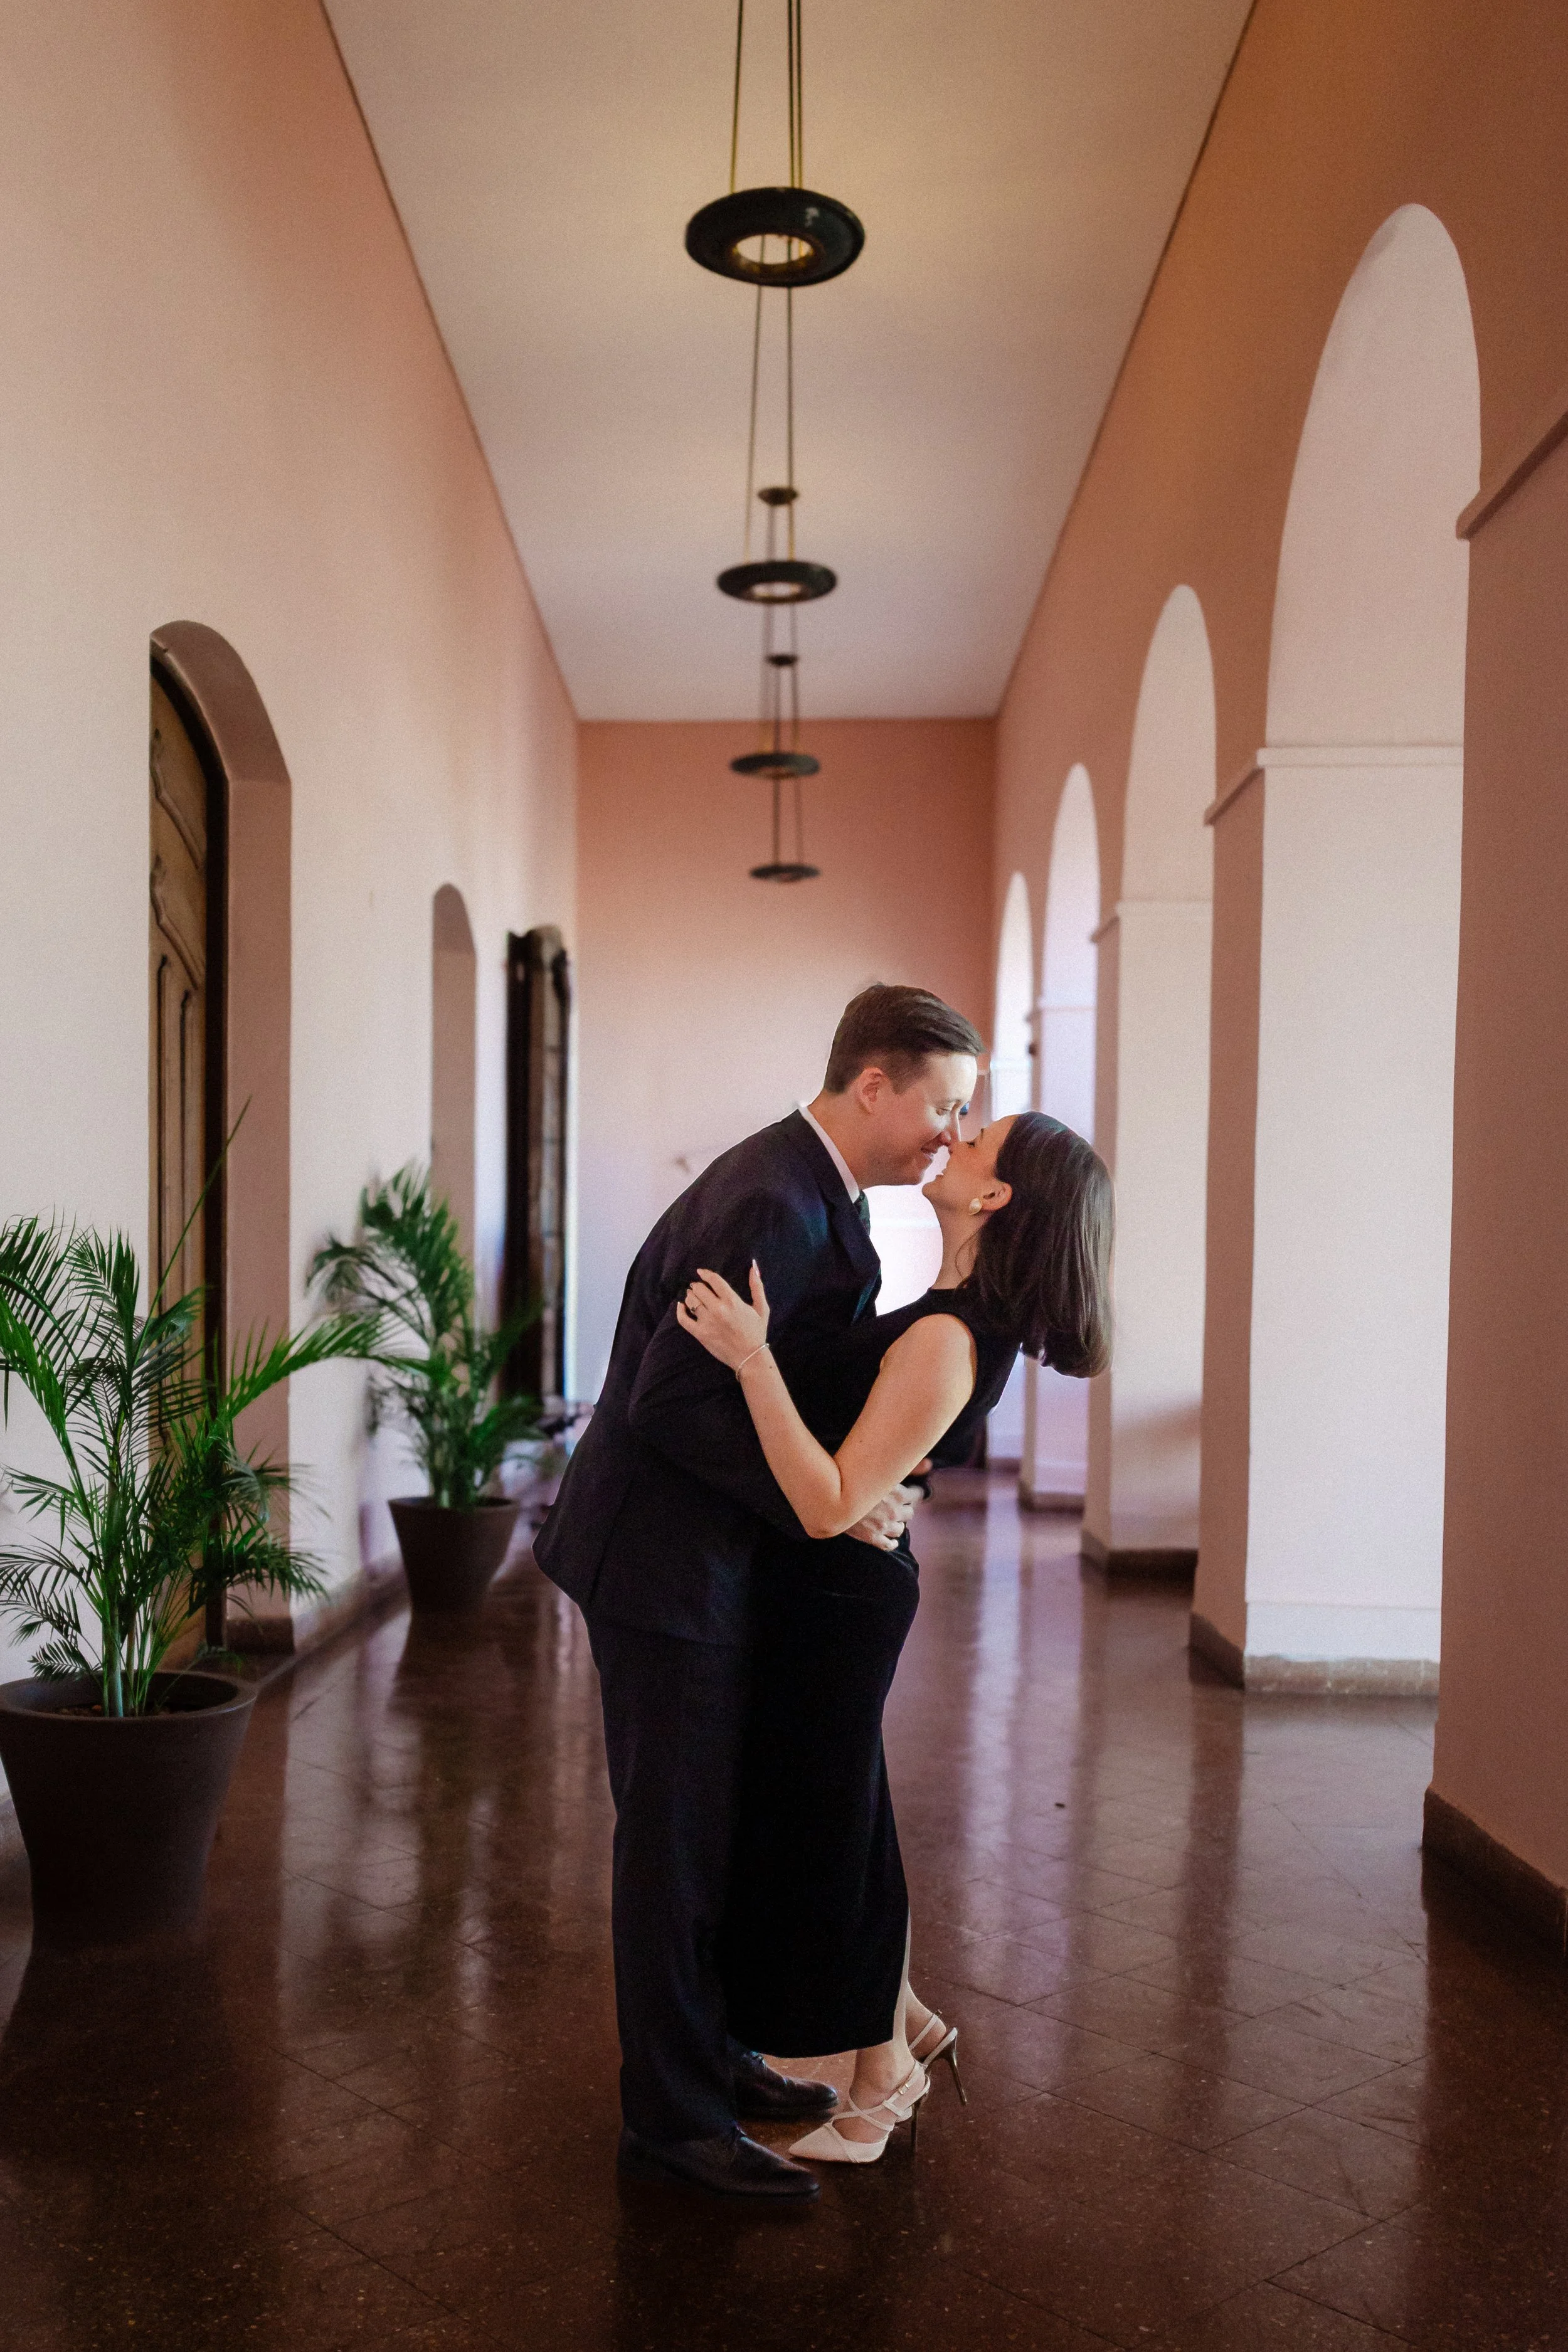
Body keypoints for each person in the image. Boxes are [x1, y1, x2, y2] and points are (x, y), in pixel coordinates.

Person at [532, 985, 983, 2201]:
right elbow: (670, 1401)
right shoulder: (769, 1198)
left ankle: (721, 2063)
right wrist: (823, 1500)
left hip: (708, 1564)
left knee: (712, 1842)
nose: (947, 1134)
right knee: (673, 1855)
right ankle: (671, 2125)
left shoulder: (810, 1192)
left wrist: (852, 1480)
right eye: (938, 1106)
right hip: (661, 1570)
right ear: (870, 1084)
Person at [678, 1109, 1113, 2163]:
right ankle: (904, 2020)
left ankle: (881, 2083)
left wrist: (751, 1358)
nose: (955, 1137)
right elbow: (860, 1472)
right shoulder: (954, 1311)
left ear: (996, 1197)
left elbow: (828, 1504)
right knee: (855, 1814)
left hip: (838, 1599)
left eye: (977, 1139)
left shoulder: (947, 1337)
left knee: (840, 1833)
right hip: (844, 1589)